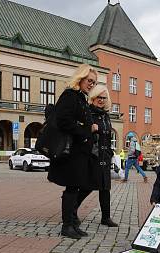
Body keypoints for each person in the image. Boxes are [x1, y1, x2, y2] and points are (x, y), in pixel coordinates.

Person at [47, 64, 98, 239]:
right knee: (71, 188)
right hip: (72, 153)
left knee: (76, 187)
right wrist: (85, 131)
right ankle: (67, 226)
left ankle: (72, 224)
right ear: (80, 78)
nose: (92, 84)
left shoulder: (80, 97)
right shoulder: (70, 95)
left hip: (80, 152)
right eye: (89, 80)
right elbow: (63, 120)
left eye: (94, 82)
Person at [75, 84, 118, 228]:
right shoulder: (88, 113)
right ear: (92, 98)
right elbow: (80, 133)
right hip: (92, 156)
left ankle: (106, 217)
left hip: (104, 156)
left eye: (104, 97)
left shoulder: (105, 115)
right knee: (87, 187)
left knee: (105, 188)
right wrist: (89, 129)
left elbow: (107, 136)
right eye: (98, 97)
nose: (101, 100)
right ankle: (71, 212)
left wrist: (110, 153)